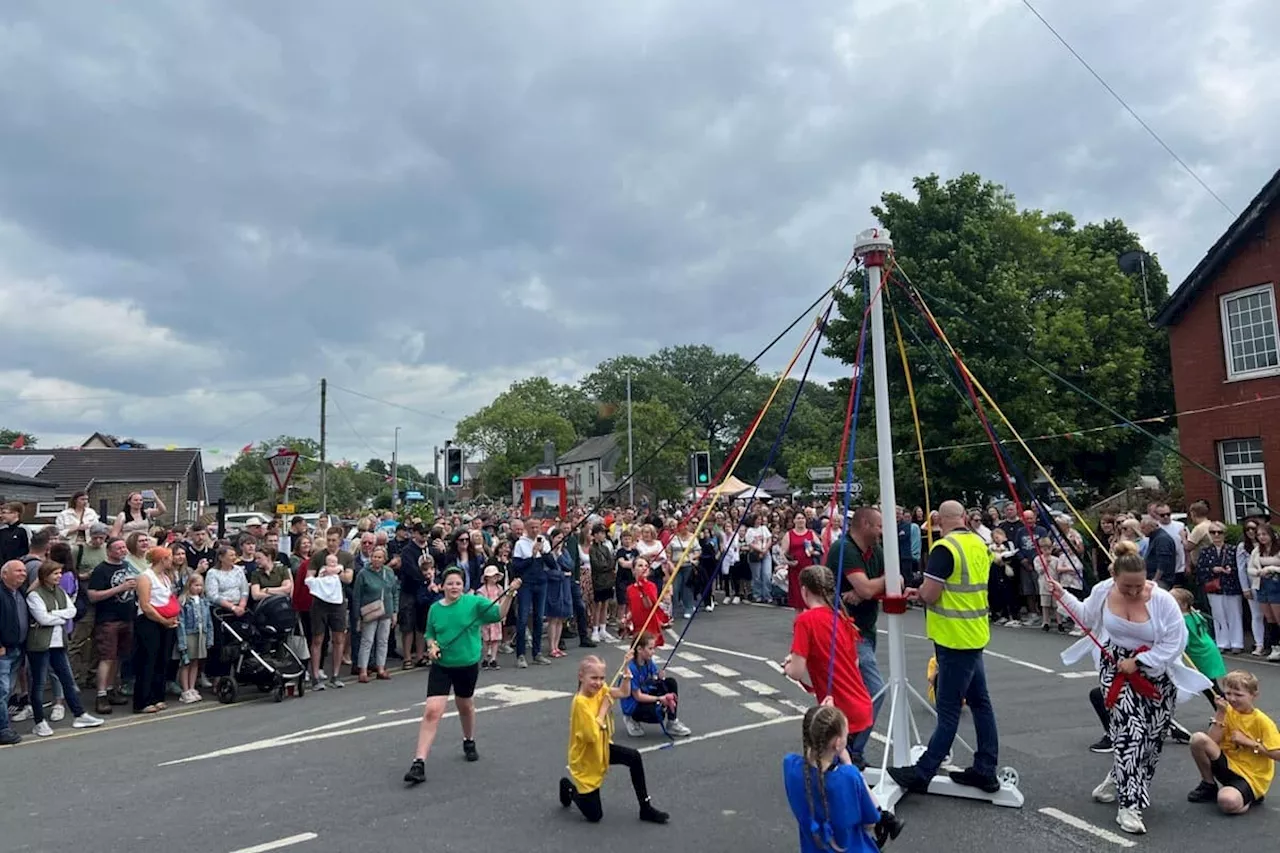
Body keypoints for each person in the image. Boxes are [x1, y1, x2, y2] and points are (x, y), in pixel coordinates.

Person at [1054, 540, 1211, 835]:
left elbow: (1175, 642)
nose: (1134, 592)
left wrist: (1142, 661)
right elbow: (1086, 618)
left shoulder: (1162, 601)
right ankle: (1130, 804)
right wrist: (1062, 595)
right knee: (1131, 733)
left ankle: (1118, 777)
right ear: (1115, 579)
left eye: (1139, 587)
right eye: (1127, 588)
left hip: (1156, 670)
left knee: (1152, 739)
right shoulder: (1103, 591)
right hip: (1115, 667)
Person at [889, 500, 1002, 796]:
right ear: (964, 517)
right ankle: (985, 768)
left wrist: (918, 594)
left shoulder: (944, 549)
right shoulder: (979, 544)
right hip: (975, 631)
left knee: (948, 709)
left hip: (953, 637)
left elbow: (931, 592)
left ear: (939, 521)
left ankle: (923, 771)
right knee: (980, 703)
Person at [403, 567, 520, 785]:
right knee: (432, 710)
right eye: (450, 583)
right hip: (442, 665)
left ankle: (469, 739)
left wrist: (510, 593)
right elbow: (430, 633)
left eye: (458, 583)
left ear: (463, 586)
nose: (454, 587)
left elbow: (498, 614)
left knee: (465, 705)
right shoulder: (435, 608)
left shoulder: (474, 603)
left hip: (466, 664)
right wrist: (431, 646)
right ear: (442, 586)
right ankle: (419, 762)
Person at [559, 653, 669, 824]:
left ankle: (645, 807)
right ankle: (569, 788)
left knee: (634, 757)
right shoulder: (580, 703)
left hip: (602, 748)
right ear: (581, 676)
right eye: (593, 678)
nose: (598, 682)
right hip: (586, 758)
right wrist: (603, 709)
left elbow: (624, 693)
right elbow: (591, 736)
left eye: (602, 678)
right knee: (595, 815)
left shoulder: (600, 690)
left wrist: (626, 671)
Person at [783, 704, 904, 853]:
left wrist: (821, 717)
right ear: (838, 744)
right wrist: (848, 763)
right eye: (847, 734)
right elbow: (870, 823)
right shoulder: (848, 777)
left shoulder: (790, 766)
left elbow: (813, 748)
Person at [783, 565, 874, 748]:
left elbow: (796, 672)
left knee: (826, 762)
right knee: (845, 760)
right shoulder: (841, 617)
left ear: (804, 590)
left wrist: (788, 665)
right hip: (860, 704)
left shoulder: (805, 620)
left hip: (839, 711)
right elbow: (854, 662)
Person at [826, 507, 887, 768]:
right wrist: (870, 588)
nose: (881, 532)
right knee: (876, 691)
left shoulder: (876, 551)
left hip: (866, 628)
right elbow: (866, 586)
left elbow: (895, 578)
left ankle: (843, 750)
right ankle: (851, 750)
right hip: (848, 631)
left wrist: (868, 590)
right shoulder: (844, 548)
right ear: (864, 524)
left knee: (859, 694)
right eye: (878, 526)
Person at [25, 561, 104, 735]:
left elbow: (72, 611)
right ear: (45, 576)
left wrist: (54, 615)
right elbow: (42, 618)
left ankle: (79, 714)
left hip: (58, 643)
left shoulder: (60, 592)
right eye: (55, 574)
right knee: (38, 683)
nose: (59, 576)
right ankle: (39, 721)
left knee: (68, 680)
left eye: (60, 573)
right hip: (40, 645)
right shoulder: (34, 595)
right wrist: (60, 617)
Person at [1187, 670, 1280, 814]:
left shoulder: (1262, 721)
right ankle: (1208, 784)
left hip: (1250, 776)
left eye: (1238, 695)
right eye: (1228, 694)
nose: (1232, 699)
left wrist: (1249, 742)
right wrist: (1220, 713)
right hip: (1227, 764)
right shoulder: (1226, 711)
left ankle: (1249, 796)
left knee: (1227, 802)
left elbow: (1277, 754)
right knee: (1197, 739)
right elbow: (1211, 741)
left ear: (1253, 696)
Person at [620, 632, 691, 738]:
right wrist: (659, 698)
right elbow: (638, 696)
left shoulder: (648, 662)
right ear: (639, 649)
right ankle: (631, 718)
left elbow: (654, 678)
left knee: (670, 682)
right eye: (650, 648)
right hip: (634, 704)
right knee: (658, 714)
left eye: (653, 648)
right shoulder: (632, 668)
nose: (653, 652)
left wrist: (659, 677)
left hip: (646, 692)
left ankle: (672, 722)